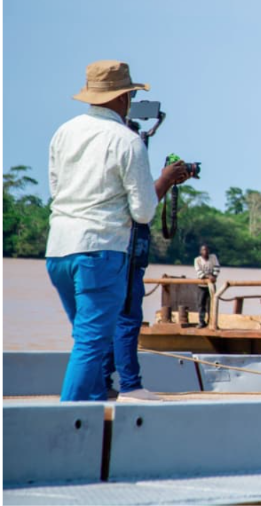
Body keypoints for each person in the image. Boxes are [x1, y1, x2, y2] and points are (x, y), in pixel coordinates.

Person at [46, 60, 189, 402]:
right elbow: (143, 212)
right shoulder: (127, 141)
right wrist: (165, 180)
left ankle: (94, 406)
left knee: (86, 339)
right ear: (123, 97)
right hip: (100, 250)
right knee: (90, 343)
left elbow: (55, 189)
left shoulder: (64, 132)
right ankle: (70, 418)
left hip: (58, 249)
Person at [193, 244, 220, 328]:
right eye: (204, 250)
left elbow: (217, 268)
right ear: (200, 252)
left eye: (207, 250)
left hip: (211, 286)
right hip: (202, 285)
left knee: (212, 304)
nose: (206, 251)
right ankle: (201, 322)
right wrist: (209, 277)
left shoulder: (213, 257)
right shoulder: (197, 260)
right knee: (201, 304)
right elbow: (199, 272)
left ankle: (212, 322)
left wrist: (214, 276)